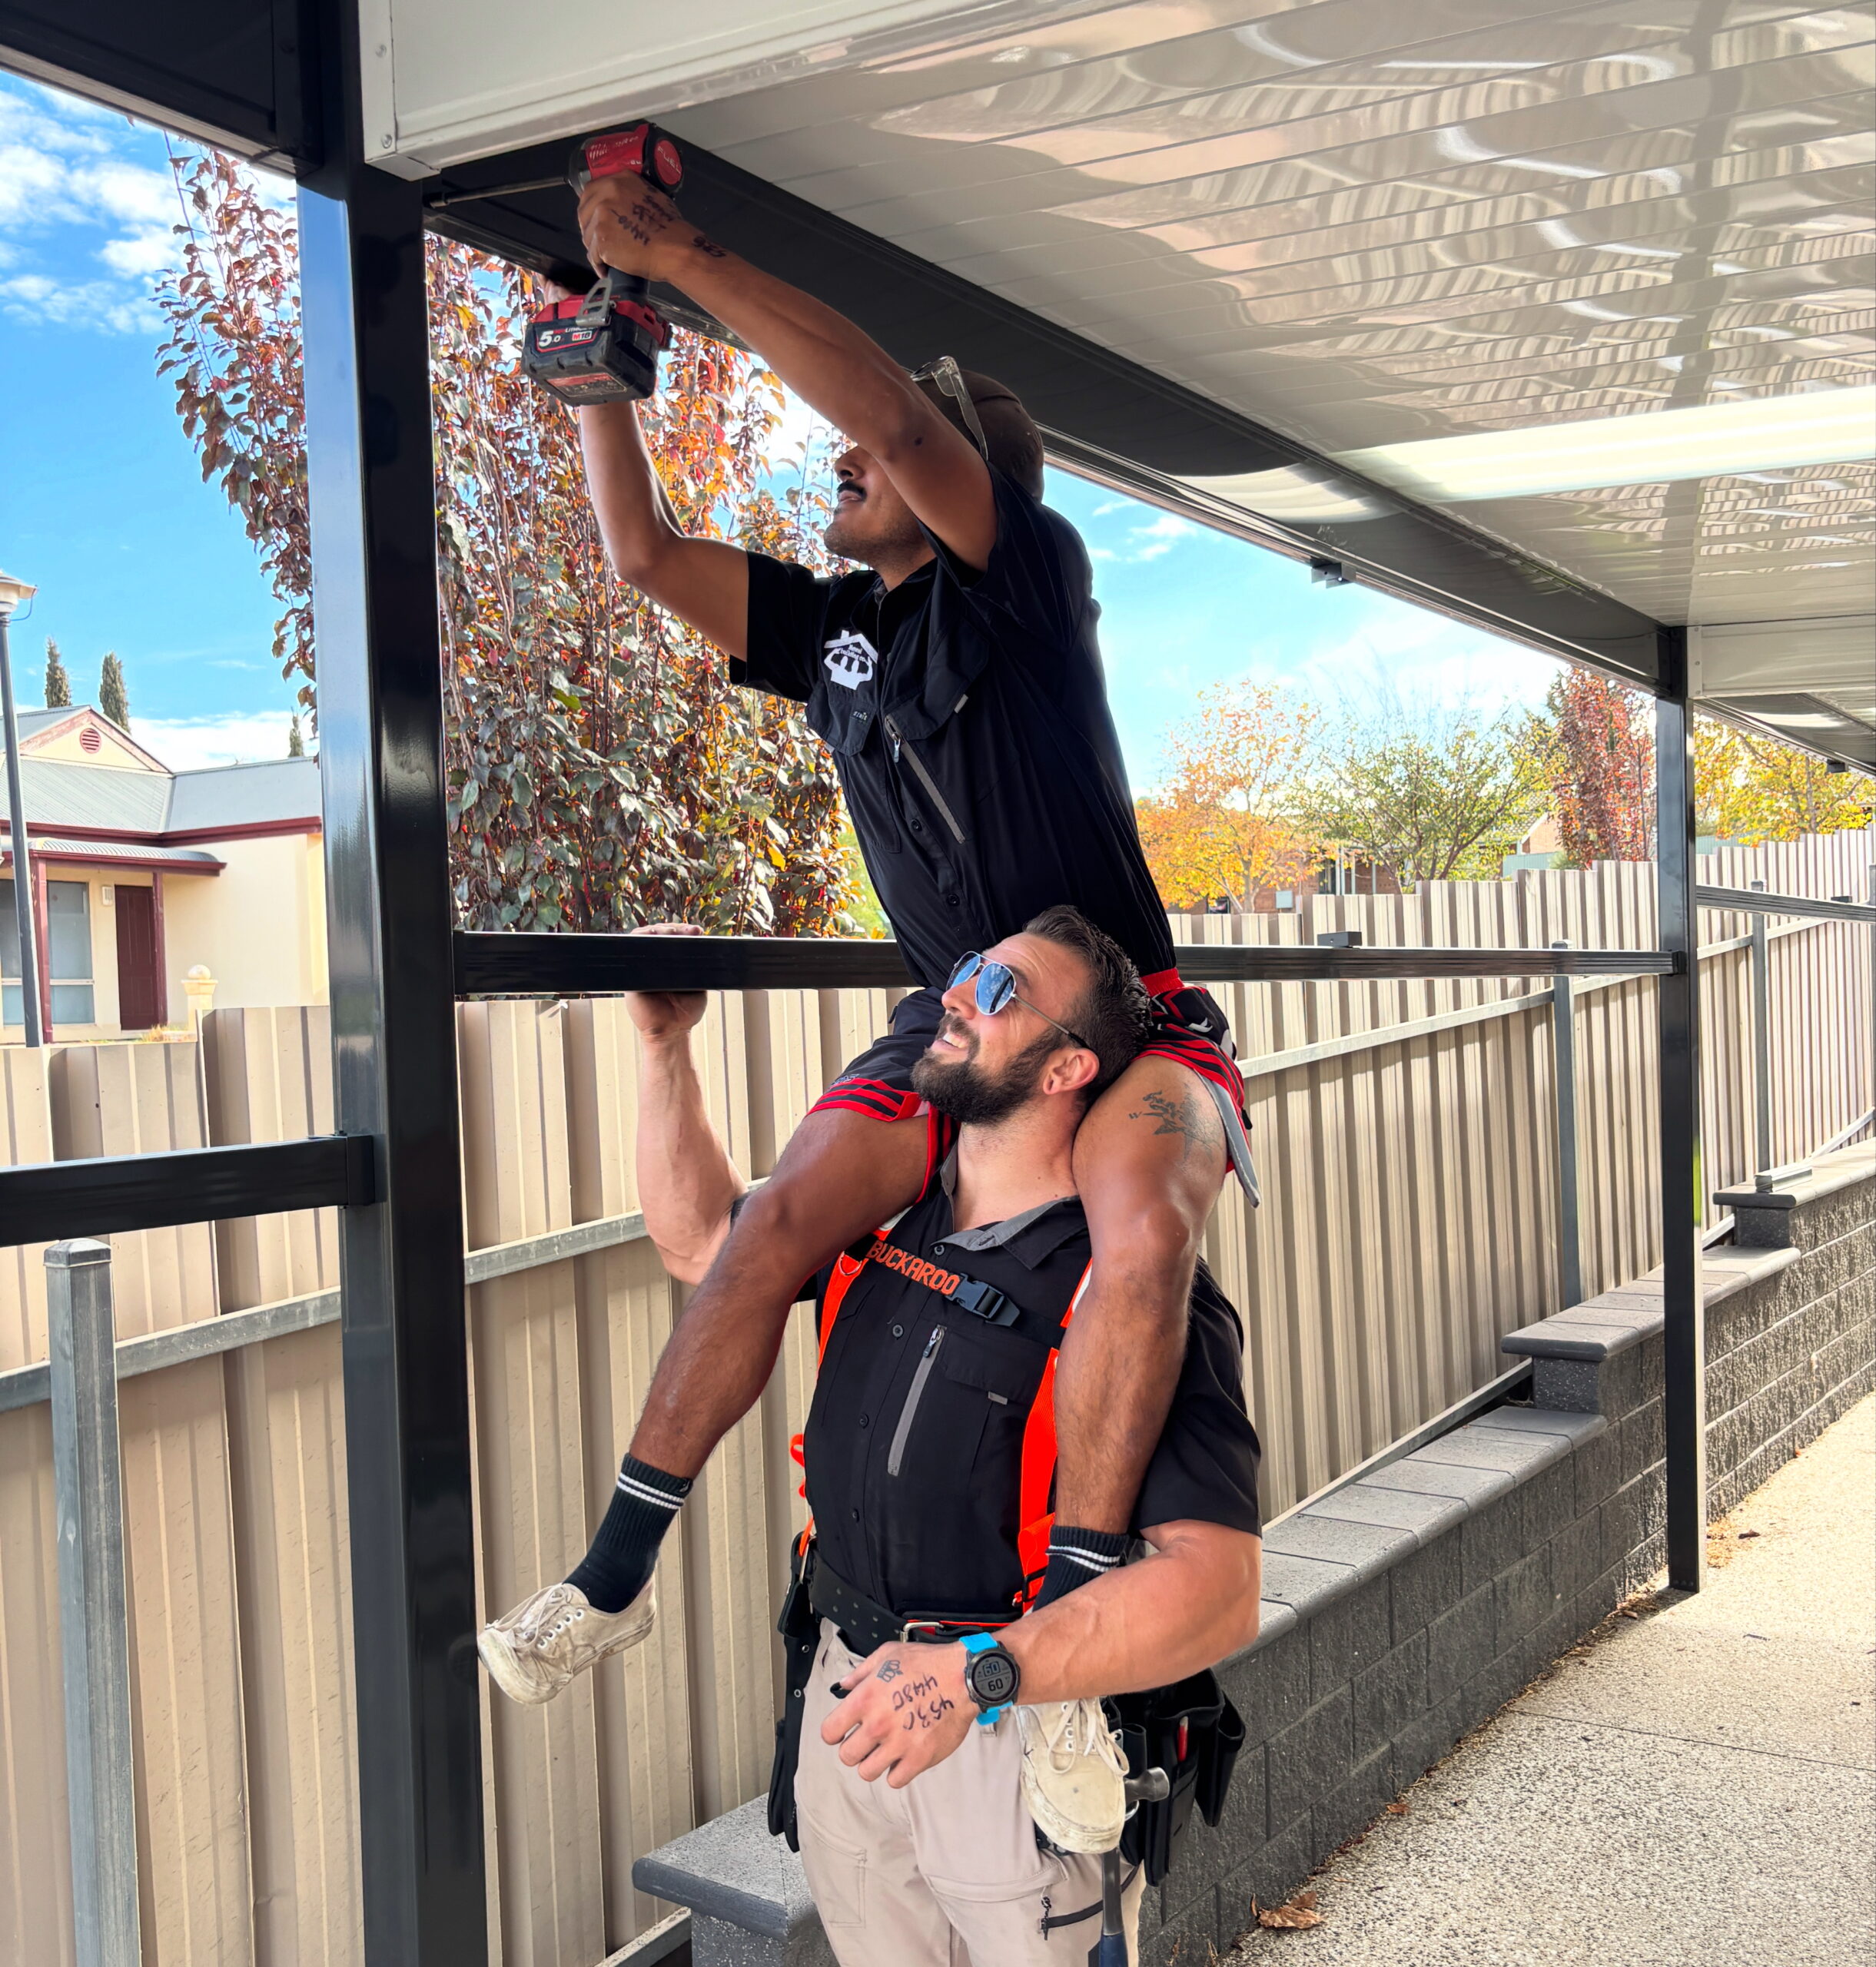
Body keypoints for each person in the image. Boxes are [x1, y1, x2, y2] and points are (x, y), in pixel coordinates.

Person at [480, 161, 1258, 1689]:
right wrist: (599, 383)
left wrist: (682, 252)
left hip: (1127, 1012)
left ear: (967, 481)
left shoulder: (1025, 582)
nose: (843, 456)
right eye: (846, 450)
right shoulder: (833, 632)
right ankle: (612, 1577)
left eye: (881, 454)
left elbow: (897, 420)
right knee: (770, 1226)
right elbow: (642, 556)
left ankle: (1068, 1622)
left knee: (1144, 1232)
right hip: (955, 1012)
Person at [487, 909, 1263, 1962]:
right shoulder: (883, 1219)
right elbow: (702, 1244)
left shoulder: (1131, 1305)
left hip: (1011, 1730)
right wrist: (665, 1047)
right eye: (967, 972)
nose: (958, 995)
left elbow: (1217, 1590)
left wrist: (984, 1673)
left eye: (1001, 992)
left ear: (1065, 1068)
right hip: (850, 1701)